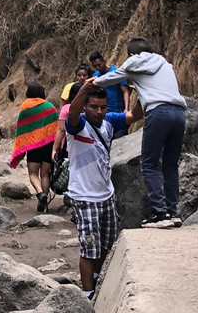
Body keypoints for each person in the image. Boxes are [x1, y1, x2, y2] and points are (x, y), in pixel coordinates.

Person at [95, 37, 186, 228]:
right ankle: (173, 212)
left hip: (158, 112)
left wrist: (93, 82)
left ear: (131, 54)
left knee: (149, 163)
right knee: (170, 164)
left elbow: (112, 77)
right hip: (179, 113)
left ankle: (159, 213)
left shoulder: (134, 61)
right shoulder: (165, 64)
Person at [65, 81, 143, 298]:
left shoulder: (108, 121)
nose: (99, 112)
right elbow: (72, 113)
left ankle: (96, 280)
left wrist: (142, 92)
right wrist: (83, 89)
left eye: (103, 107)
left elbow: (134, 116)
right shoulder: (77, 125)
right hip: (84, 196)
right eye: (93, 107)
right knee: (89, 248)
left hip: (106, 194)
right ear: (84, 106)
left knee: (106, 244)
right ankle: (88, 294)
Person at [10, 83, 59, 213]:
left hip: (33, 146)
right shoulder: (49, 106)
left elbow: (22, 127)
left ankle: (40, 193)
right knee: (45, 174)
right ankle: (44, 204)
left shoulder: (25, 106)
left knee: (33, 174)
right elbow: (56, 127)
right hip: (49, 146)